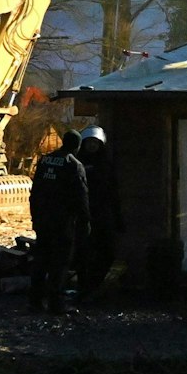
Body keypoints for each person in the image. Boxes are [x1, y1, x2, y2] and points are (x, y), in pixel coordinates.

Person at [29, 130, 91, 313]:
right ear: (77, 146)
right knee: (60, 262)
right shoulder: (74, 165)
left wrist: (35, 217)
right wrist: (85, 221)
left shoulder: (45, 160)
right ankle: (56, 303)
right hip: (62, 222)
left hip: (42, 220)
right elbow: (82, 196)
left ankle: (35, 301)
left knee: (40, 260)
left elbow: (35, 192)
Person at [72, 126, 123, 299]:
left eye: (95, 143)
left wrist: (118, 216)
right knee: (83, 252)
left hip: (103, 213)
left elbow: (114, 191)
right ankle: (84, 286)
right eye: (89, 143)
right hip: (81, 214)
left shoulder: (106, 164)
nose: (92, 146)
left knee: (107, 252)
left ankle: (94, 284)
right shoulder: (76, 163)